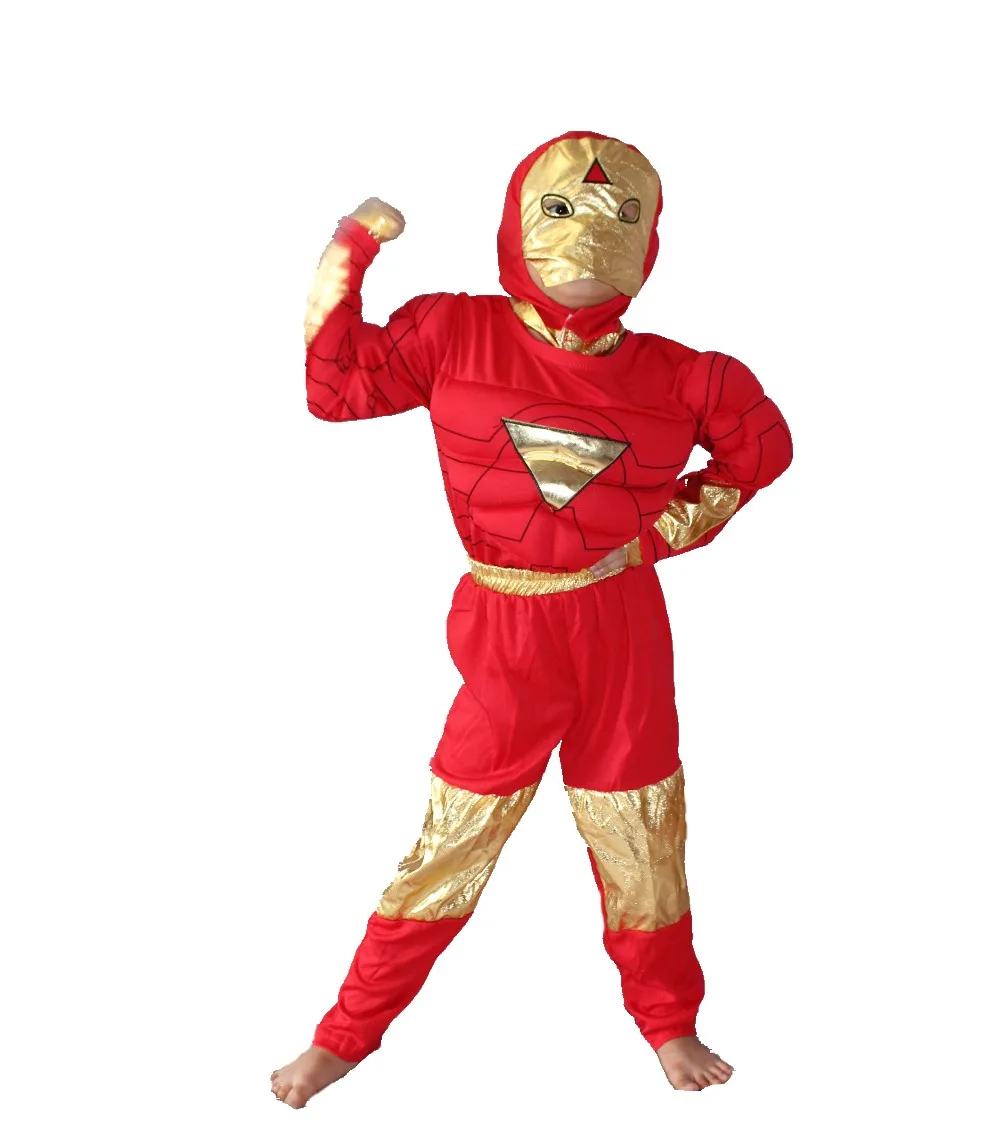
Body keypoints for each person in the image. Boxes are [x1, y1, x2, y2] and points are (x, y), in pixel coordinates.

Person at [271, 130, 793, 1108]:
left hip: (621, 625)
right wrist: (351, 245)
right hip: (508, 628)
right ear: (519, 223)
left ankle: (669, 1019)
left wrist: (657, 534)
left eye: (620, 212)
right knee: (455, 834)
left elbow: (760, 453)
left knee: (641, 828)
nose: (591, 230)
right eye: (561, 208)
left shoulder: (690, 376)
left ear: (648, 238)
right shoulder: (453, 332)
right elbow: (335, 388)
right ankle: (347, 1033)